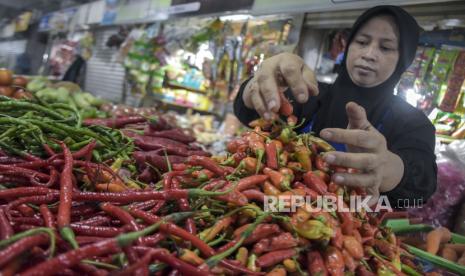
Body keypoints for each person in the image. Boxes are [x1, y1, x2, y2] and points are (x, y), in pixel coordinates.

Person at [234, 5, 437, 208]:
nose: (369, 54)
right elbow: (250, 112)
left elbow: (422, 185)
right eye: (362, 41)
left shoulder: (413, 123)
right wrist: (257, 86)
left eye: (385, 47)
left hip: (352, 235)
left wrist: (389, 169)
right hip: (281, 217)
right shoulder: (311, 93)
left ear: (404, 59)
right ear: (348, 46)